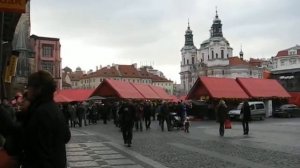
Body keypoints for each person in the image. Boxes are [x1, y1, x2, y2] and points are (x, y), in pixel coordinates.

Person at [0, 70, 71, 168]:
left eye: (29, 87)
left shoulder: (41, 112)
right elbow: (66, 136)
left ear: (38, 89)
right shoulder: (53, 108)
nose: (27, 90)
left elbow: (38, 152)